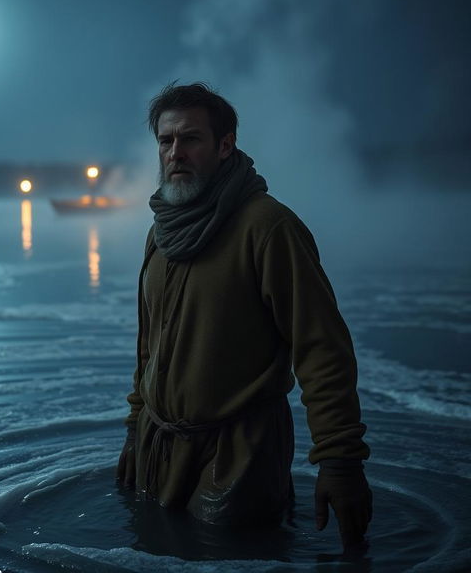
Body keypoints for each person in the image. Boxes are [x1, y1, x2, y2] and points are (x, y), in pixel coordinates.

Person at [116, 82, 372, 551]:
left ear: (225, 144)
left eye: (191, 138)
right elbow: (149, 347)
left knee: (234, 557)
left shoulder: (268, 228)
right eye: (166, 141)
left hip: (240, 455)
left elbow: (321, 349)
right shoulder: (161, 235)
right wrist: (136, 429)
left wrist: (340, 462)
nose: (176, 152)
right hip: (160, 447)